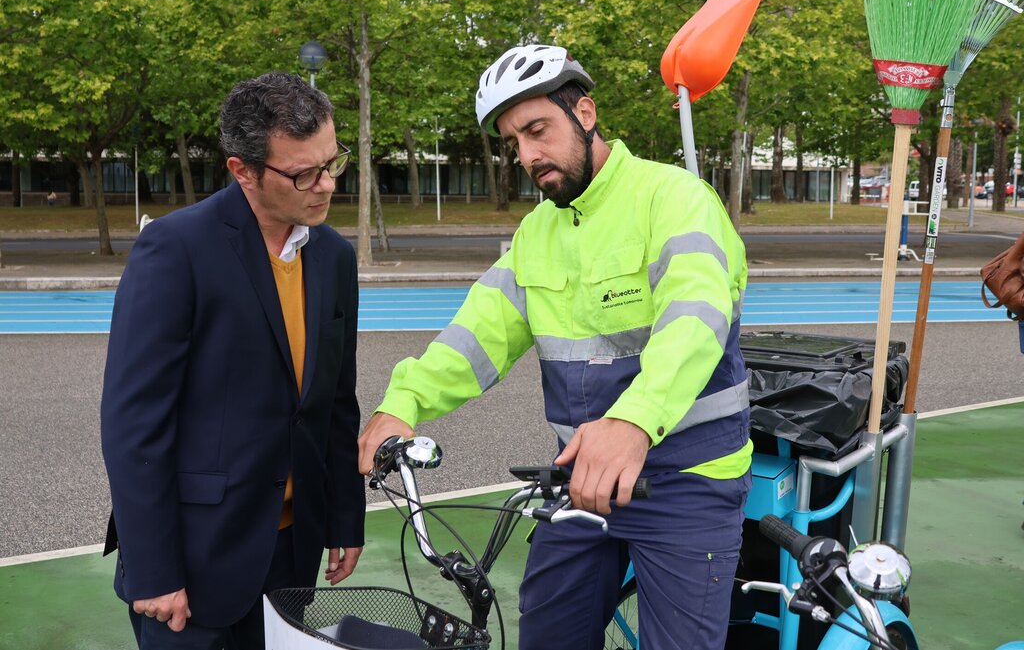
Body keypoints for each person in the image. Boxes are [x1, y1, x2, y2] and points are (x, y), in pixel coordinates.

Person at [357, 44, 751, 650]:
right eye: (513, 142)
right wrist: (401, 403)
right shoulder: (536, 231)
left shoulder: (674, 198)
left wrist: (633, 422)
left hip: (686, 481)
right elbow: (477, 334)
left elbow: (695, 321)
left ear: (584, 113)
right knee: (545, 632)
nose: (527, 155)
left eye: (537, 130)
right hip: (580, 481)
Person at [101, 71, 365, 650]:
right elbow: (134, 423)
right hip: (192, 560)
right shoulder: (175, 249)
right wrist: (154, 569)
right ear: (242, 171)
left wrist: (346, 516)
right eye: (304, 173)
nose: (326, 185)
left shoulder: (334, 257)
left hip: (291, 554)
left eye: (332, 162)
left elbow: (334, 402)